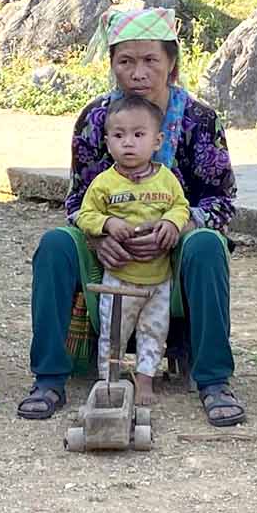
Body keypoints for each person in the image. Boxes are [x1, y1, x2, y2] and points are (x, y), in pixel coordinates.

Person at [21, 4, 244, 427]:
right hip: (111, 249)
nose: (138, 73)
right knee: (54, 245)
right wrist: (98, 237)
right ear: (112, 66)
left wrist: (177, 225)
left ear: (172, 65)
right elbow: (77, 201)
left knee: (208, 245)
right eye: (126, 61)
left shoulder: (199, 120)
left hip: (175, 253)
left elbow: (221, 202)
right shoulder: (94, 119)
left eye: (149, 61)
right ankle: (49, 378)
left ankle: (214, 381)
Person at [67, 92, 196, 406]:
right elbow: (85, 215)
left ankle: (145, 381)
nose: (128, 143)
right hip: (119, 279)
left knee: (154, 332)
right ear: (108, 142)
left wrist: (172, 223)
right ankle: (109, 381)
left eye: (139, 135)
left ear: (157, 141)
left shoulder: (167, 180)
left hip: (158, 280)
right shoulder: (104, 184)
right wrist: (108, 225)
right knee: (114, 334)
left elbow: (181, 207)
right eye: (119, 135)